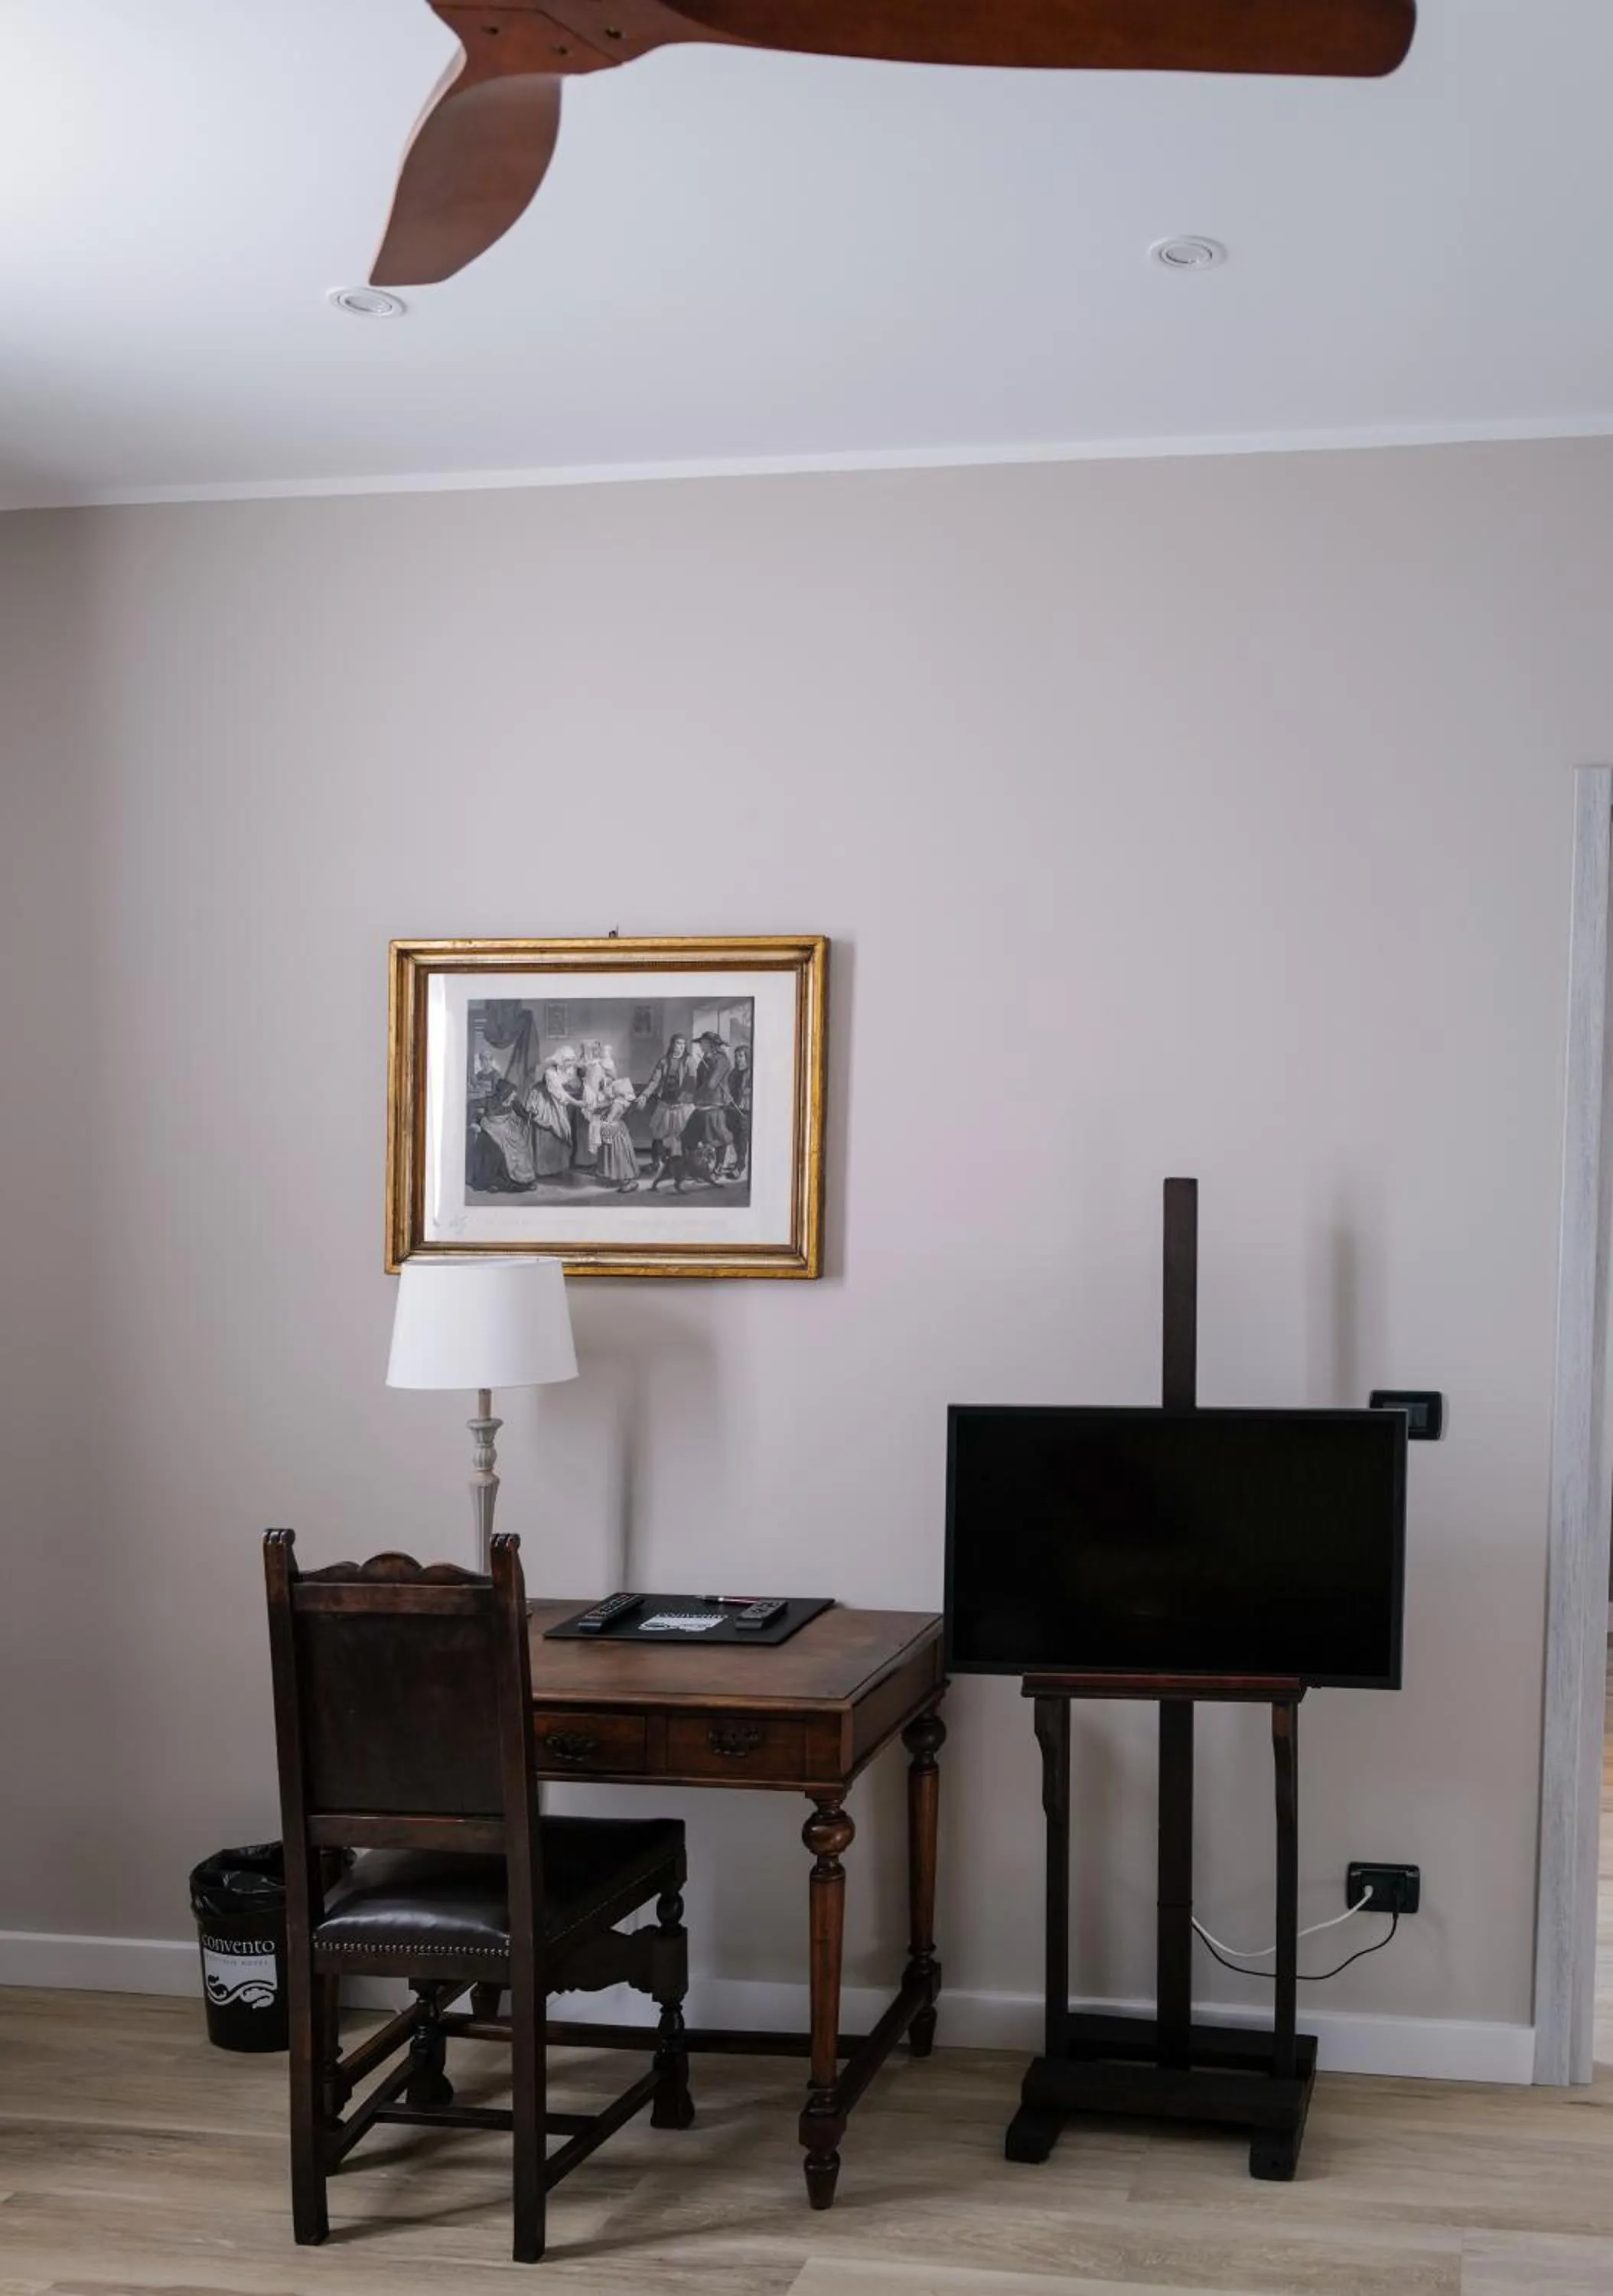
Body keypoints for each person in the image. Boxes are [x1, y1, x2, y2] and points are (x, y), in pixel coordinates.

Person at [637, 1034, 695, 1186]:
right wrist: (644, 1095)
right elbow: (655, 1081)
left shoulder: (689, 1061)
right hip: (665, 1102)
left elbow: (691, 1082)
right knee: (658, 1134)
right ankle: (656, 1163)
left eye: (683, 1044)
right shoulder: (663, 1061)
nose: (681, 1047)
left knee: (682, 1136)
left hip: (681, 1105)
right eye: (678, 1044)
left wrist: (684, 1099)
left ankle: (685, 1167)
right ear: (672, 1045)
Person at [528, 1046, 582, 1180]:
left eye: (572, 1060)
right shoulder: (550, 1073)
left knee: (562, 1132)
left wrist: (575, 1076)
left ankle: (558, 1168)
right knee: (548, 1129)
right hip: (544, 1099)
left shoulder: (570, 1071)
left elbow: (575, 1086)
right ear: (560, 1060)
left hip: (558, 1101)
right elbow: (558, 1093)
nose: (570, 1063)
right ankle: (543, 1169)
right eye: (567, 1061)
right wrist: (576, 1103)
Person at [595, 1075, 641, 1192]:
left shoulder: (616, 1104)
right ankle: (622, 1179)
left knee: (617, 1155)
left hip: (613, 1130)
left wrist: (604, 1134)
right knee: (618, 1154)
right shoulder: (621, 1102)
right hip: (619, 1128)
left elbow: (609, 1119)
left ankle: (627, 1181)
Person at [727, 1042, 752, 1181]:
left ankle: (740, 1166)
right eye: (736, 1056)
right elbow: (729, 1089)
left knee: (742, 1139)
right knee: (735, 1138)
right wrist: (728, 1096)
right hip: (734, 1109)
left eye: (741, 1056)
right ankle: (737, 1162)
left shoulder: (751, 1073)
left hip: (746, 1111)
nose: (738, 1059)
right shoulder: (734, 1073)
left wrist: (747, 1094)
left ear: (747, 1057)